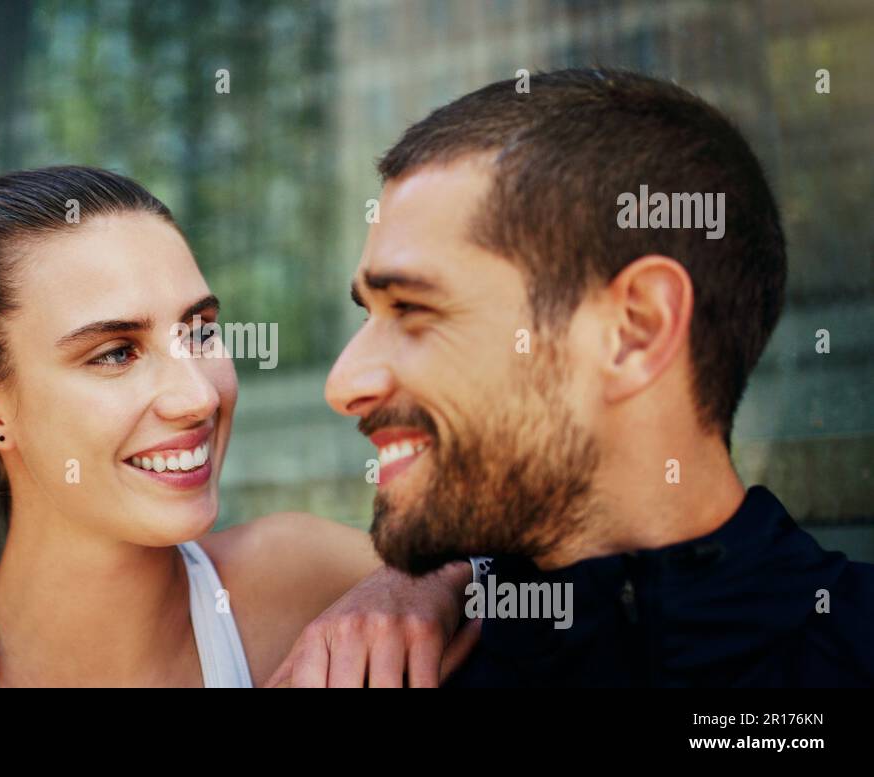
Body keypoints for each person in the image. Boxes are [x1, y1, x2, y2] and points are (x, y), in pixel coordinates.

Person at [0, 166, 476, 688]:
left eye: (198, 331)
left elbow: (543, 580)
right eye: (115, 352)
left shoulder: (299, 574)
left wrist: (426, 583)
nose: (197, 396)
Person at [325, 68, 874, 686]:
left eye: (414, 309)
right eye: (369, 314)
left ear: (637, 328)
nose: (343, 385)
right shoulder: (379, 665)